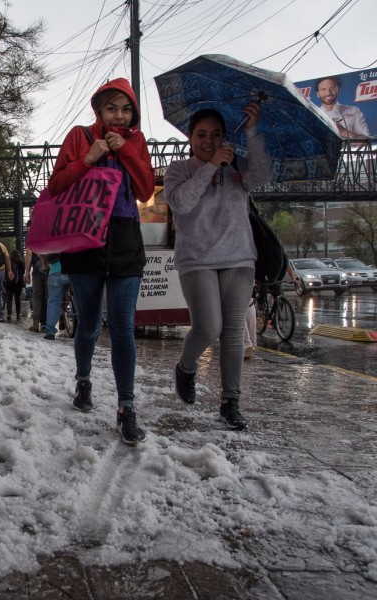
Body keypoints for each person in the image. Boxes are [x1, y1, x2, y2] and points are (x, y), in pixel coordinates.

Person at [48, 78, 155, 446]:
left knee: (123, 325)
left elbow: (144, 189)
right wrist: (88, 158)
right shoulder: (79, 136)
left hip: (125, 238)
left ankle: (126, 408)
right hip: (84, 238)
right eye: (112, 108)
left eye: (126, 109)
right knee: (90, 324)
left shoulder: (136, 141)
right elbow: (56, 186)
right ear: (99, 109)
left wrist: (125, 150)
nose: (119, 115)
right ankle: (83, 382)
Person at [165, 103, 273, 431]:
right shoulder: (179, 169)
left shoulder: (236, 166)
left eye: (215, 135)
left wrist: (252, 132)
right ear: (190, 137)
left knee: (233, 331)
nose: (208, 140)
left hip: (240, 256)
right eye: (201, 135)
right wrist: (209, 167)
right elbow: (181, 202)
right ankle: (185, 368)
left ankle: (231, 401)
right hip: (197, 259)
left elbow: (261, 177)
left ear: (225, 136)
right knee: (208, 326)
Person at [43, 253, 69, 340]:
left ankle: (50, 332)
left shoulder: (50, 238)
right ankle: (84, 329)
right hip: (72, 270)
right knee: (79, 298)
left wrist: (45, 266)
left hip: (54, 271)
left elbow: (41, 253)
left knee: (53, 301)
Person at [24, 245, 48, 332]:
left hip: (37, 269)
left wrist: (27, 272)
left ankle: (36, 323)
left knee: (37, 297)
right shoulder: (50, 231)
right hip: (50, 266)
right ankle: (48, 323)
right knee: (49, 296)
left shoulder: (32, 234)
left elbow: (29, 252)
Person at [4, 249, 25, 321]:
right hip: (18, 284)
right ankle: (18, 314)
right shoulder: (21, 263)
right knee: (17, 299)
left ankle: (9, 314)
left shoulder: (8, 263)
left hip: (9, 283)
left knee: (9, 299)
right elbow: (23, 272)